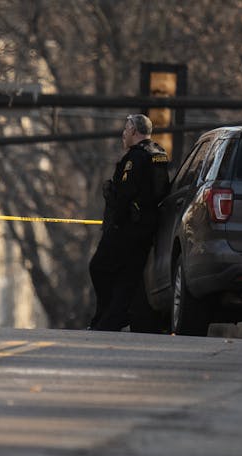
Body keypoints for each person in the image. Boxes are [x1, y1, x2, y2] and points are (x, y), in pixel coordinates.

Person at [88, 114, 170, 332]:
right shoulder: (159, 153)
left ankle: (108, 317)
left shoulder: (135, 158)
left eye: (126, 129)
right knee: (128, 278)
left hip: (126, 229)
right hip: (148, 229)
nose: (123, 134)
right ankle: (108, 323)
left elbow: (125, 194)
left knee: (98, 268)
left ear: (134, 130)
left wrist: (111, 200)